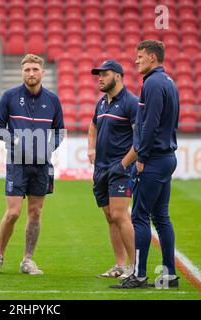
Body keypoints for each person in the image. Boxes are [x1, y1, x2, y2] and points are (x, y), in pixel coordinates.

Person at [0, 54, 64, 275]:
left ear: (42, 73)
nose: (31, 73)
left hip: (41, 165)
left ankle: (27, 260)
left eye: (35, 70)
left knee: (35, 213)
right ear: (22, 72)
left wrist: (49, 148)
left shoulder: (53, 99)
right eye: (27, 69)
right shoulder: (9, 96)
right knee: (13, 213)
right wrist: (14, 140)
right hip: (16, 164)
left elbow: (59, 131)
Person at [110, 40, 180, 289]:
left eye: (140, 56)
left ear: (152, 57)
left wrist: (141, 157)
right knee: (161, 216)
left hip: (153, 160)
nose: (136, 60)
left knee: (139, 216)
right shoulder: (170, 82)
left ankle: (138, 275)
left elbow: (149, 125)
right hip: (167, 157)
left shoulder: (151, 83)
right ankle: (169, 276)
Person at [88, 60, 138, 280]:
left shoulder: (132, 102)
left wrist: (124, 164)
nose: (100, 78)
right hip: (101, 169)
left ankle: (135, 267)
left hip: (120, 168)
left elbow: (140, 140)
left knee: (119, 214)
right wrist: (91, 148)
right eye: (98, 75)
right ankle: (120, 264)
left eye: (104, 74)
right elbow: (93, 126)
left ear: (117, 76)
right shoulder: (101, 103)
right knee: (110, 217)